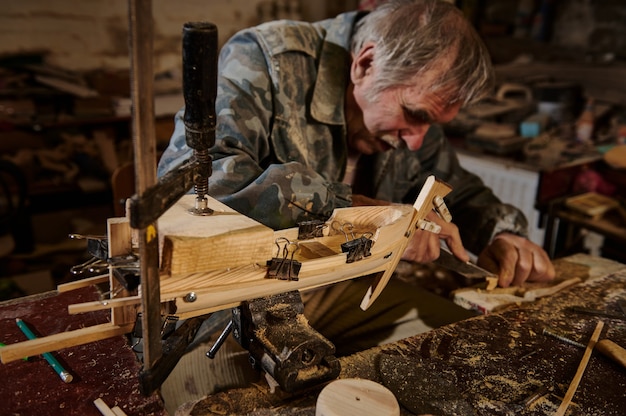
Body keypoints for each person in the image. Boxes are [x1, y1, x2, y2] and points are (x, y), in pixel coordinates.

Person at [157, 0, 556, 402]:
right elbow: (198, 181)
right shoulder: (266, 59)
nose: (417, 141)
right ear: (365, 64)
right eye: (414, 115)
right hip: (235, 299)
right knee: (219, 405)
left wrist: (501, 233)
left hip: (344, 283)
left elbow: (458, 190)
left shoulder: (414, 101)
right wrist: (365, 214)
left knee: (475, 355)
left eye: (431, 124)